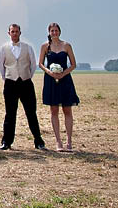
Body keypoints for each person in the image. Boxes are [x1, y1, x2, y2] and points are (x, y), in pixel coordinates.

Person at [0, 23, 46, 151]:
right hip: (10, 83)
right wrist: (7, 78)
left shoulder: (28, 47)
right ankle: (6, 142)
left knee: (31, 113)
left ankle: (38, 140)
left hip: (26, 83)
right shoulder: (4, 48)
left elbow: (33, 64)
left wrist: (26, 76)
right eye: (12, 31)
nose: (14, 33)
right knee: (10, 114)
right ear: (9, 33)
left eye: (16, 31)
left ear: (20, 33)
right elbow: (1, 66)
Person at [38, 22, 79, 151]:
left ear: (59, 32)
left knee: (67, 110)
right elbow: (40, 64)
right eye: (52, 31)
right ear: (49, 33)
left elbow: (73, 64)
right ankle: (58, 142)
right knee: (54, 110)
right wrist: (50, 72)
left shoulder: (66, 46)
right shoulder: (45, 46)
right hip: (51, 80)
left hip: (65, 80)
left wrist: (63, 74)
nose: (54, 33)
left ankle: (69, 141)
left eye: (56, 30)